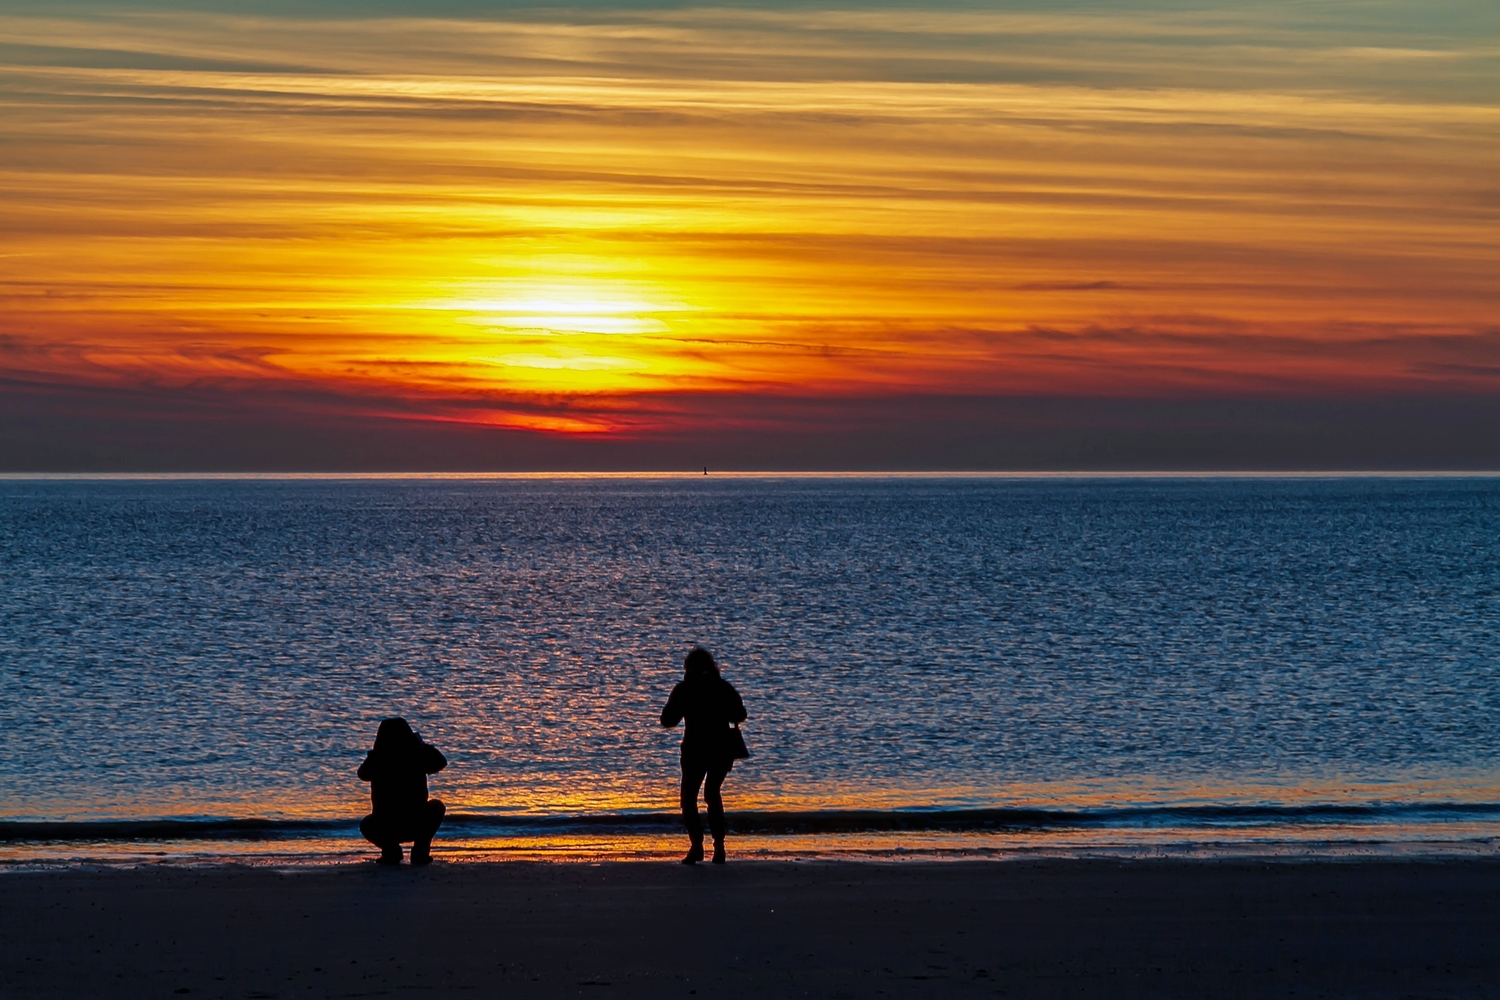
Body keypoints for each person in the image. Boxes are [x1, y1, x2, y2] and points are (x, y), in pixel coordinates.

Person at [660, 646, 747, 865]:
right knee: (712, 793)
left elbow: (667, 720)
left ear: (688, 667)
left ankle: (697, 846)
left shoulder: (684, 689)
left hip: (695, 749)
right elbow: (740, 714)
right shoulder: (723, 687)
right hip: (721, 749)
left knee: (689, 798)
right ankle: (719, 848)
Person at [358, 717, 447, 865]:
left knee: (367, 824)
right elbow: (440, 762)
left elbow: (363, 774)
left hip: (388, 825)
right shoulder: (416, 755)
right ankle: (418, 852)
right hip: (414, 821)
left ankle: (392, 852)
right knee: (436, 807)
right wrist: (421, 745)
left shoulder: (379, 760)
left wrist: (374, 754)